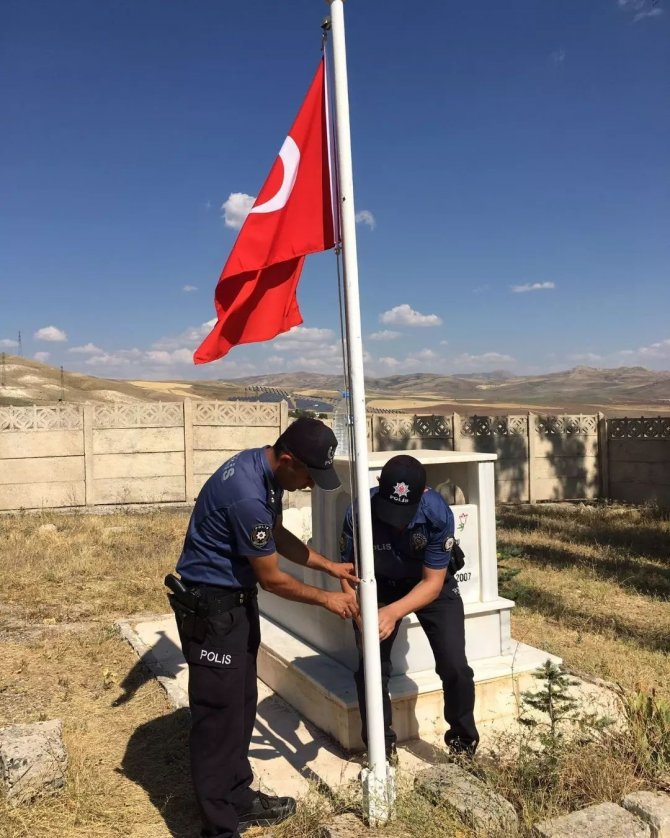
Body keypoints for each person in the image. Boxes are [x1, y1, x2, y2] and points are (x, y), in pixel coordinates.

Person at [167, 417, 360, 838]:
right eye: (309, 475)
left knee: (240, 703)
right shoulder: (247, 495)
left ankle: (237, 797)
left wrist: (328, 565)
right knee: (218, 716)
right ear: (288, 459)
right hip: (212, 612)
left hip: (233, 606)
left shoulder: (263, 472)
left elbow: (275, 534)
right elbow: (272, 577)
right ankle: (220, 827)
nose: (311, 485)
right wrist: (328, 599)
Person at [339, 454, 478, 761]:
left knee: (455, 666)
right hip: (379, 585)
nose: (396, 520)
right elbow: (348, 573)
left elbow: (432, 582)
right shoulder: (359, 513)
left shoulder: (437, 513)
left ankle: (463, 745)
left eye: (405, 511)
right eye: (391, 510)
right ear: (378, 485)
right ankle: (381, 749)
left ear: (424, 492)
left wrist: (392, 612)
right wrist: (362, 614)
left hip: (429, 584)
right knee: (372, 668)